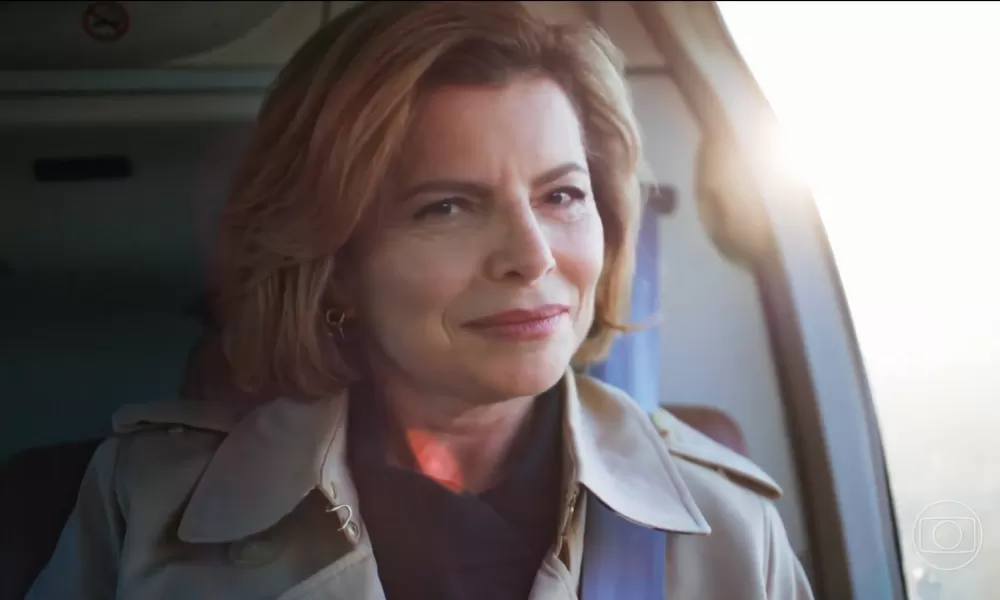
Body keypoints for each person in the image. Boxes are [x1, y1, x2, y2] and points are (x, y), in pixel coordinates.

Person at [27, 2, 814, 599]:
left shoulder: (726, 527)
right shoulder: (147, 502)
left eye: (562, 195)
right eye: (447, 207)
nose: (533, 256)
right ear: (335, 263)